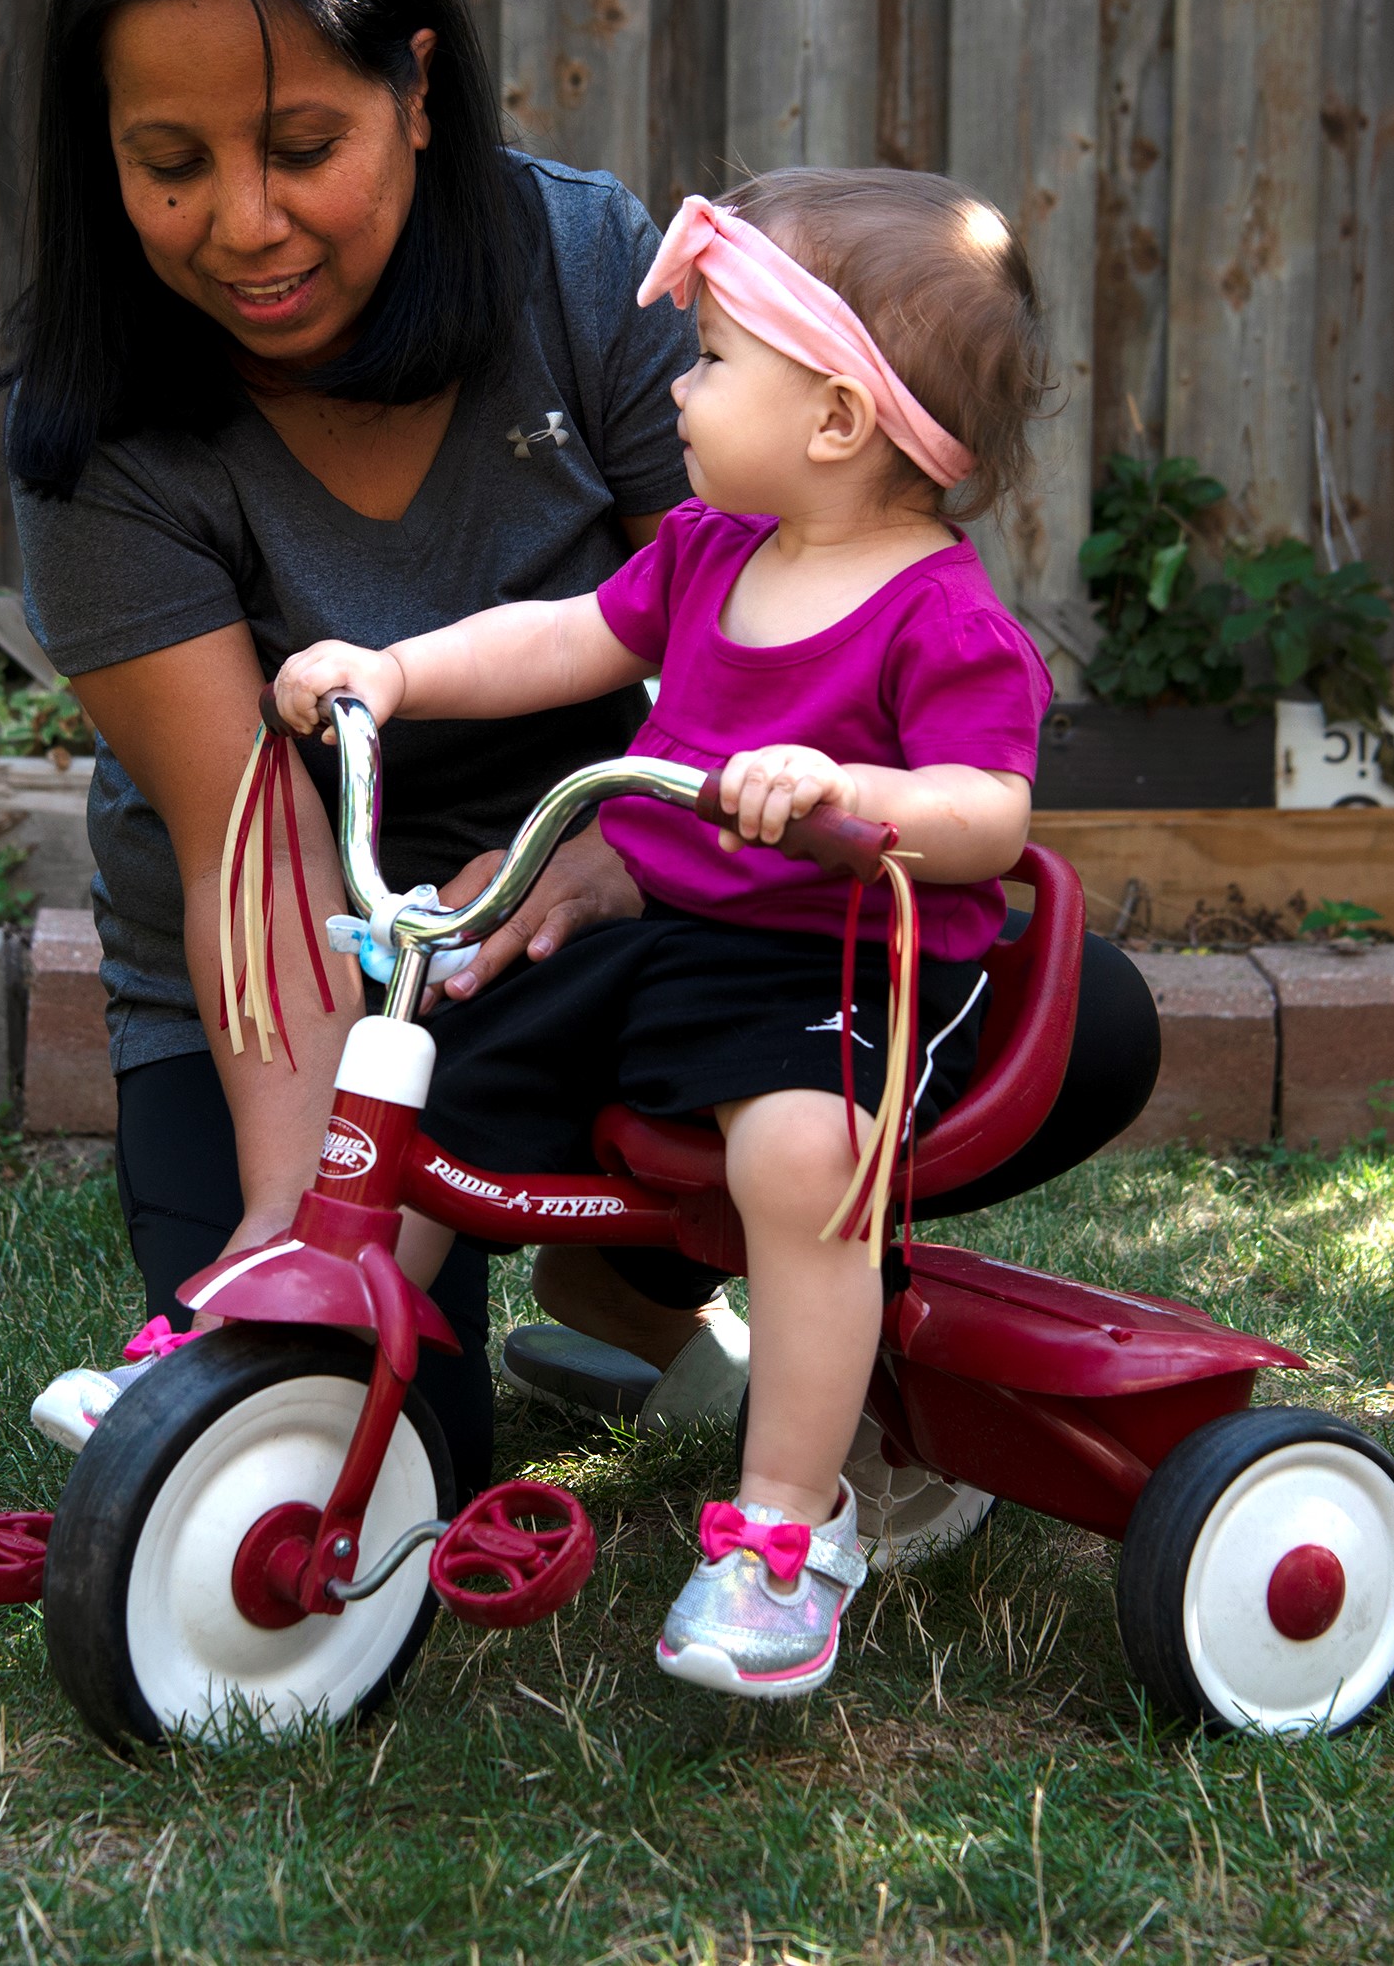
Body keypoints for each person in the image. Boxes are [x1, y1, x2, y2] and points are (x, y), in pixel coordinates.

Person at [0, 0, 1159, 1511]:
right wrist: (283, 1246)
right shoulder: (106, 430)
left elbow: (727, 639)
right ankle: (368, 1291)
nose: (241, 223)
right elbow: (246, 846)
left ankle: (663, 1297)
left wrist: (623, 846)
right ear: (103, 150)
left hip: (608, 911)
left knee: (1068, 1028)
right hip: (319, 950)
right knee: (382, 1439)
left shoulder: (584, 267)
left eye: (298, 146)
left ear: (413, 87)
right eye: (172, 165)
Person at [271, 168, 1058, 1697]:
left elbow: (990, 813)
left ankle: (781, 1533)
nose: (677, 391)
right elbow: (563, 638)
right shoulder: (706, 552)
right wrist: (397, 671)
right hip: (679, 937)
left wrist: (849, 786)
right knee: (438, 1063)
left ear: (835, 420)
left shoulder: (941, 615)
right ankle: (295, 1369)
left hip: (849, 959)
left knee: (798, 1156)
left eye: (707, 361)